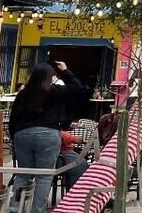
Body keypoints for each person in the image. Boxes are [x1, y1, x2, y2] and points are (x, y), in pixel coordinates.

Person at [9, 61, 88, 213]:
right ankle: (37, 210)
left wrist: (15, 138)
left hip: (22, 135)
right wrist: (65, 71)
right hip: (48, 135)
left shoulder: (23, 94)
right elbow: (77, 89)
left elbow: (13, 118)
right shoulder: (55, 91)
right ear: (50, 77)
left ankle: (15, 209)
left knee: (23, 175)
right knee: (44, 177)